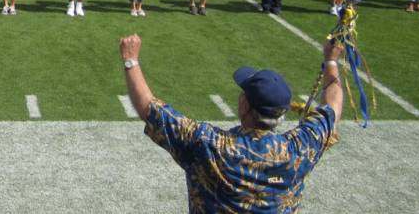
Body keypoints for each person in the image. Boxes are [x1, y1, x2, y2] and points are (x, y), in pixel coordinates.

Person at [120, 33, 343, 213]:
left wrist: (131, 60)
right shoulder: (300, 148)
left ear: (246, 107)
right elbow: (332, 106)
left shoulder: (210, 145)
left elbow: (149, 109)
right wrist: (331, 61)